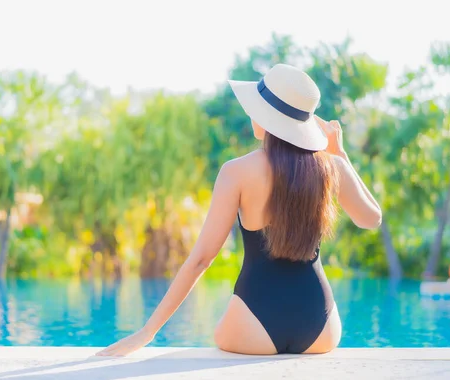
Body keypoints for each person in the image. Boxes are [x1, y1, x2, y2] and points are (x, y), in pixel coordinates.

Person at [96, 64, 382, 356]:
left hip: (252, 325)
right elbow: (372, 219)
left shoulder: (236, 172)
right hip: (320, 328)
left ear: (267, 118)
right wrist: (341, 156)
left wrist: (147, 332)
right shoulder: (332, 168)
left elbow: (202, 259)